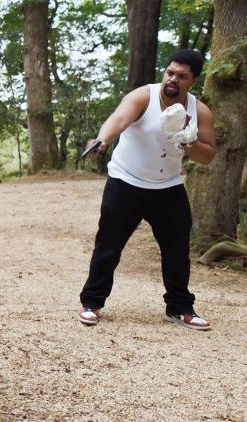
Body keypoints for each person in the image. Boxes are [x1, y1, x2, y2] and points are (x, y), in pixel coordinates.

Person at [79, 49, 216, 330]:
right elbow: (118, 120)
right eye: (170, 72)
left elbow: (208, 155)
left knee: (177, 250)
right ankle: (92, 303)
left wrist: (188, 140)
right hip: (126, 181)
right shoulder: (144, 96)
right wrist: (102, 140)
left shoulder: (199, 110)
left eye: (182, 76)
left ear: (194, 80)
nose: (173, 79)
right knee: (109, 246)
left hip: (168, 186)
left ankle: (179, 308)